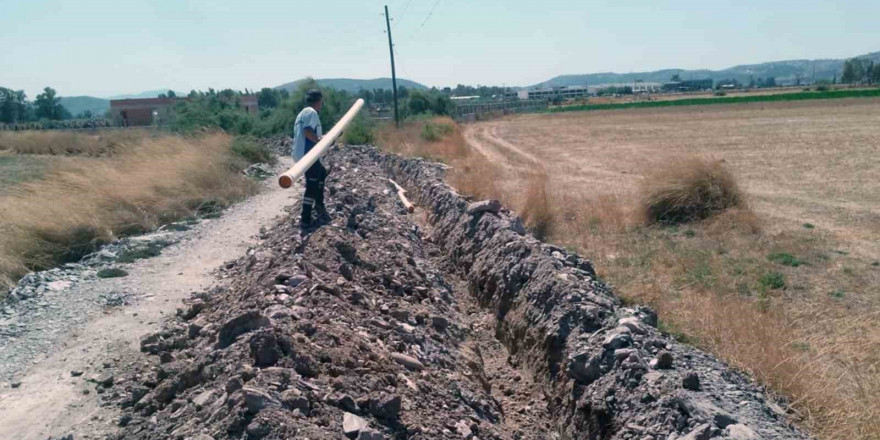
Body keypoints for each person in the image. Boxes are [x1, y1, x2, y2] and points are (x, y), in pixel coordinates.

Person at [292, 90, 329, 228]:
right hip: (307, 155)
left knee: (322, 173)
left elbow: (309, 132)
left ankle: (319, 204)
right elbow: (307, 131)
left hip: (306, 154)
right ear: (318, 101)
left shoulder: (303, 113)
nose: (322, 104)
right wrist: (320, 140)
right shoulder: (311, 112)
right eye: (321, 102)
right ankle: (305, 219)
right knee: (312, 184)